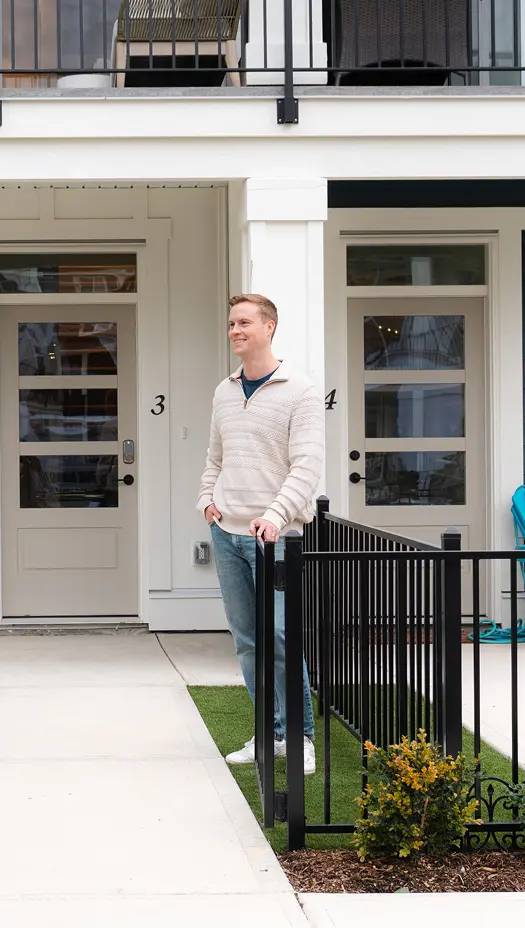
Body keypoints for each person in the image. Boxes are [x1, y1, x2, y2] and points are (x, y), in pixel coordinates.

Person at [198, 293, 324, 775]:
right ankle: (268, 732)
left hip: (276, 538)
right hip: (227, 536)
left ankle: (301, 737)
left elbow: (306, 466)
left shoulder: (301, 391)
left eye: (245, 322)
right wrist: (207, 502)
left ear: (269, 327)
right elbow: (215, 457)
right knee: (248, 641)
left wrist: (274, 516)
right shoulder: (224, 391)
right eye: (231, 323)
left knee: (281, 637)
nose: (235, 330)